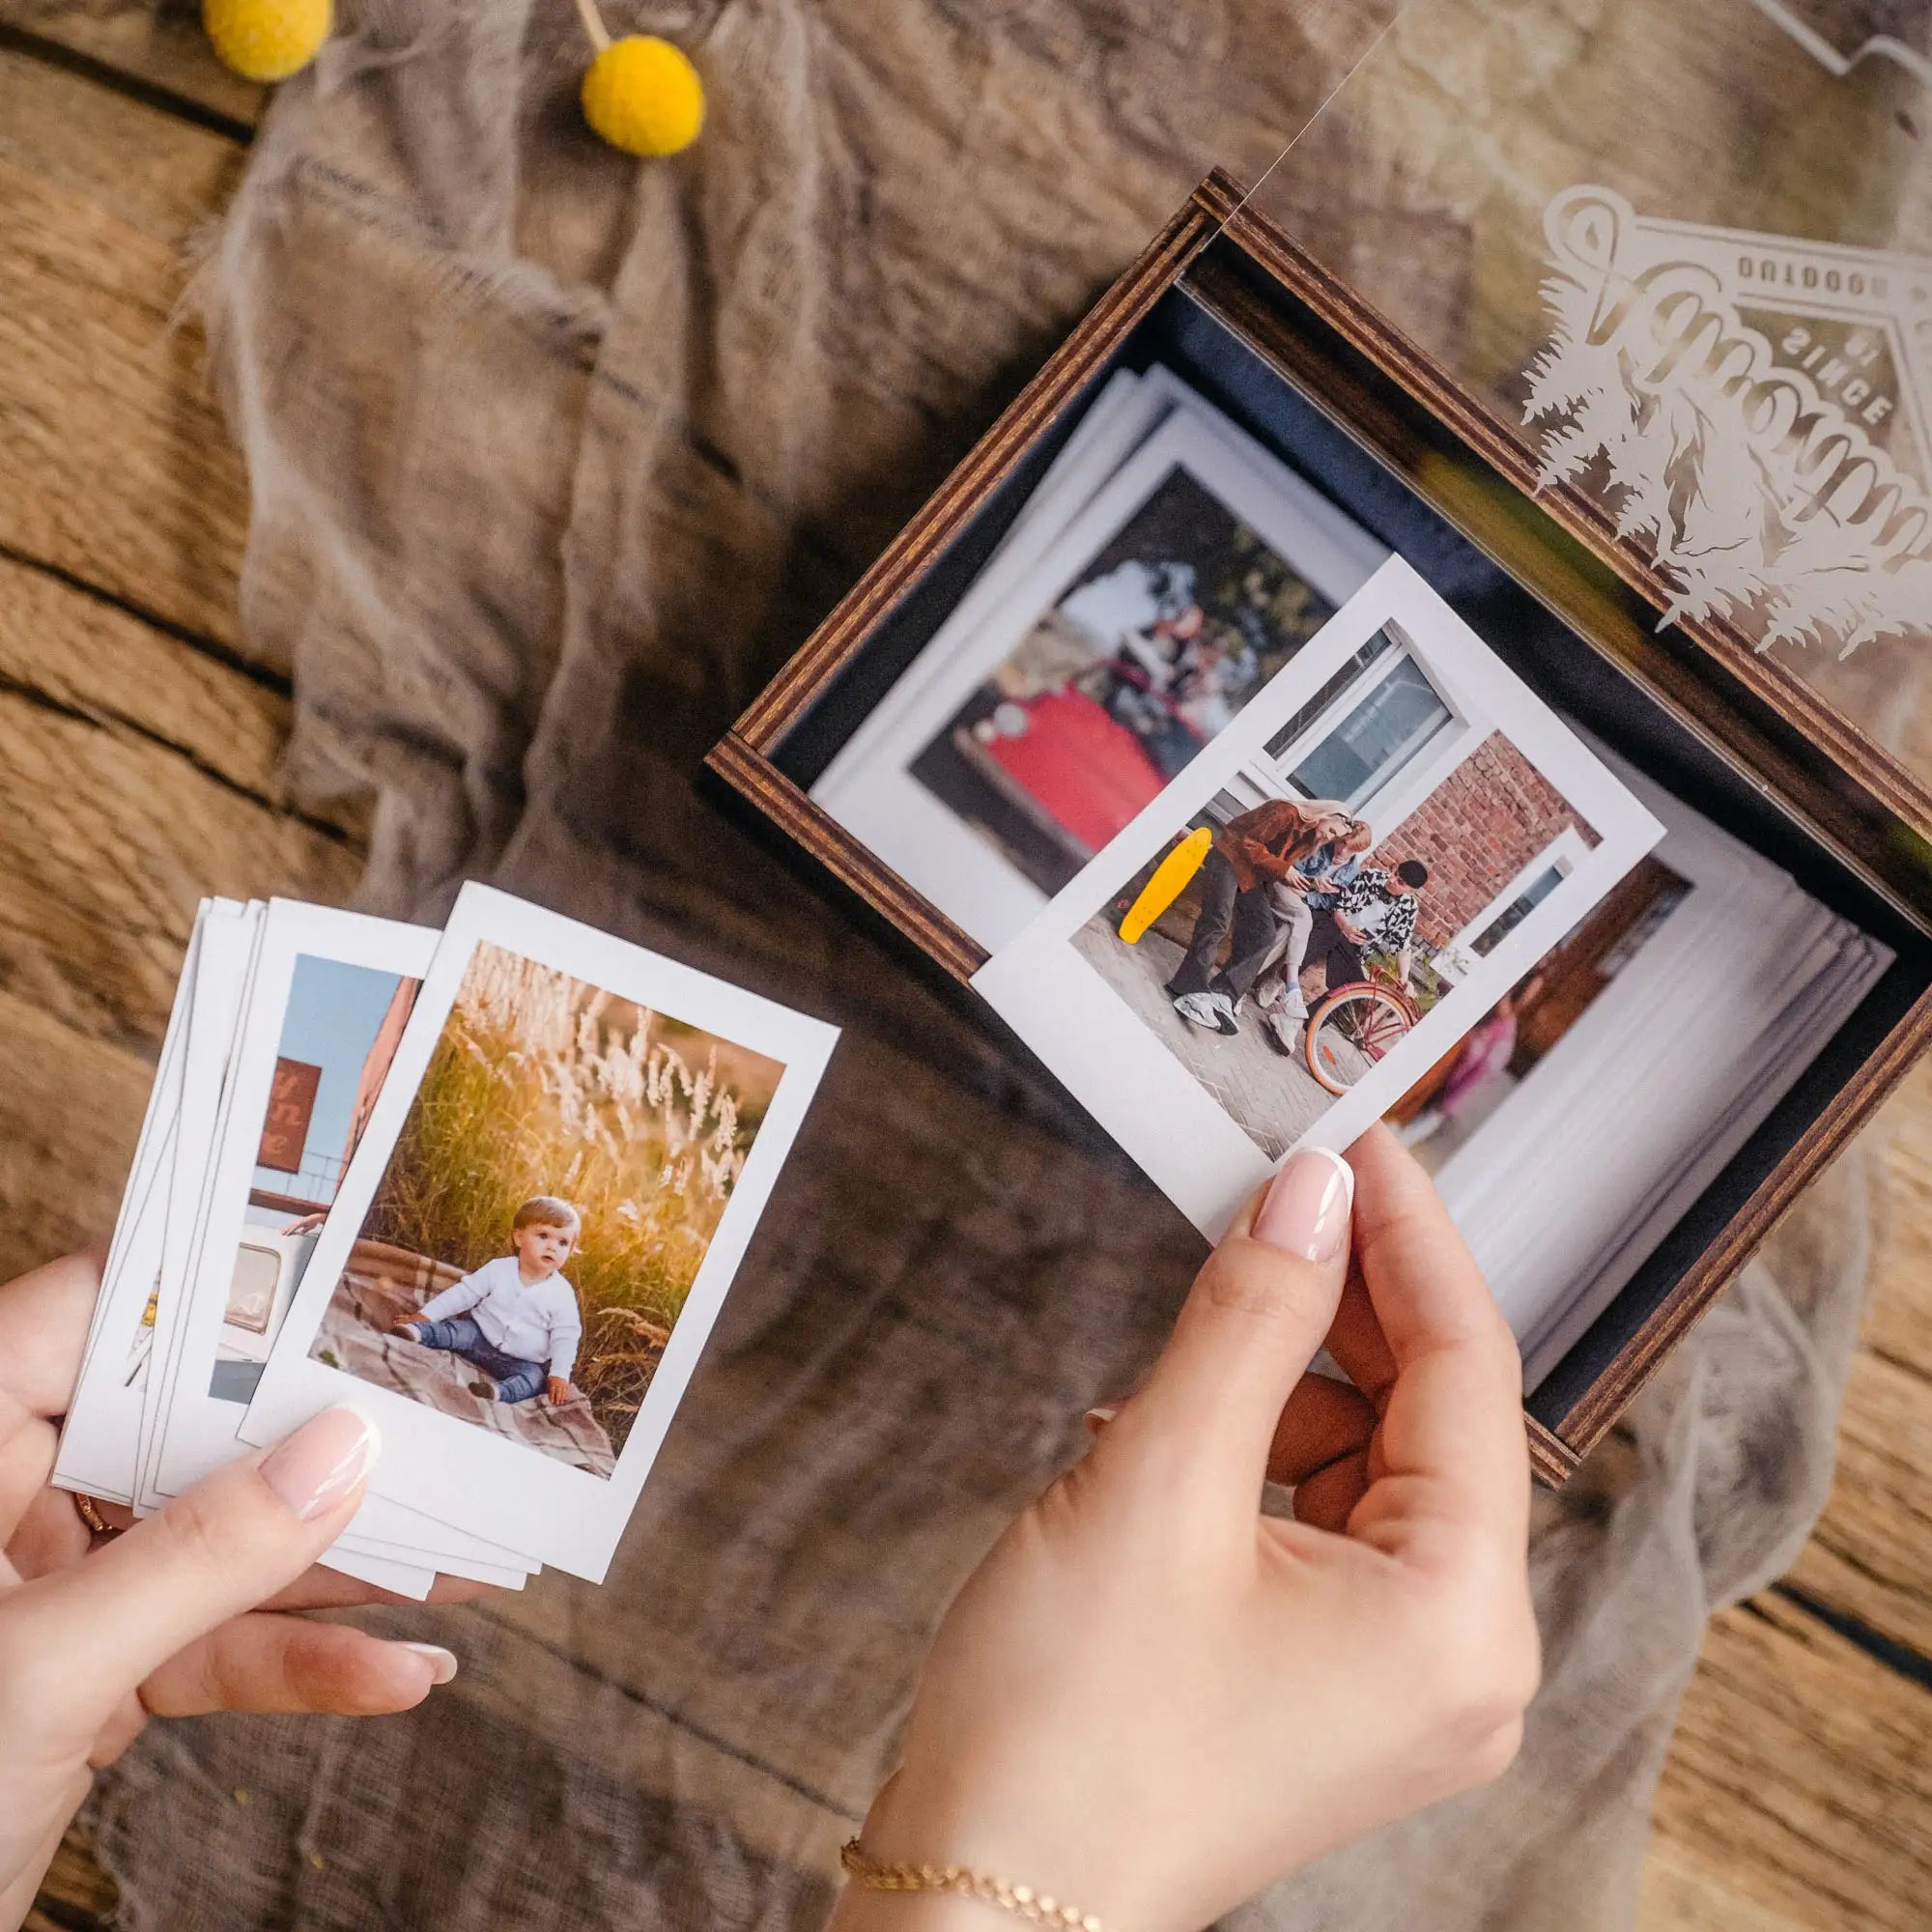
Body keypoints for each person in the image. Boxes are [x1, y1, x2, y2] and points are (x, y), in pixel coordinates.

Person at [0, 1130, 1535, 1926]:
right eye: (533, 1234)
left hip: (508, 1372)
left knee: (515, 1368)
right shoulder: (501, 1276)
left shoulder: (564, 1295)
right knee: (470, 1354)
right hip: (472, 1359)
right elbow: (468, 1304)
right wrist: (1023, 1890)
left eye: (549, 1238)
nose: (539, 1246)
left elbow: (527, 1327)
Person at [1167, 798, 1350, 1035]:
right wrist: (1286, 871)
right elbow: (1246, 842)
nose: (1328, 837)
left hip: (1250, 878)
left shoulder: (1307, 837)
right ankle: (1190, 989)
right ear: (1323, 815)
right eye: (1331, 830)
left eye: (1334, 836)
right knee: (1217, 921)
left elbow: (1276, 867)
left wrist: (1312, 883)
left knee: (1264, 934)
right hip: (1228, 857)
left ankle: (1224, 993)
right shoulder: (1285, 812)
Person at [392, 1196, 582, 1407]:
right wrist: (425, 1316)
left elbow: (566, 1335)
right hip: (479, 1336)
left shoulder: (562, 1294)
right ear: (519, 1238)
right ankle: (418, 1332)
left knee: (533, 1379)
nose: (552, 1247)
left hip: (522, 1360)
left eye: (562, 1242)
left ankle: (498, 1393)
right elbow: (463, 1294)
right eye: (543, 1236)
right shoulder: (499, 1269)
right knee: (456, 1331)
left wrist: (559, 1373)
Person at [1254, 815, 1376, 1057]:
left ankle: (1271, 980)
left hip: (1310, 905)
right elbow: (1291, 871)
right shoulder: (1320, 846)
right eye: (1342, 843)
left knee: (1307, 928)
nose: (1342, 851)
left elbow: (1331, 902)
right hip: (1286, 892)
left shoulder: (1352, 873)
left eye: (1350, 849)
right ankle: (1267, 980)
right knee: (1299, 924)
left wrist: (1310, 893)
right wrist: (1312, 885)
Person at [1304, 857, 1430, 1001]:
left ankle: (1308, 1021)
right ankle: (1289, 985)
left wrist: (1404, 979)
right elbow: (1338, 908)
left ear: (1411, 891)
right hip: (1334, 925)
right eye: (1395, 873)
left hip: (1354, 948)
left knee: (1355, 995)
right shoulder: (1371, 876)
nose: (1392, 880)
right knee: (1330, 933)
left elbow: (1403, 947)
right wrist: (1346, 928)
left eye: (1400, 882)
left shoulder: (1408, 908)